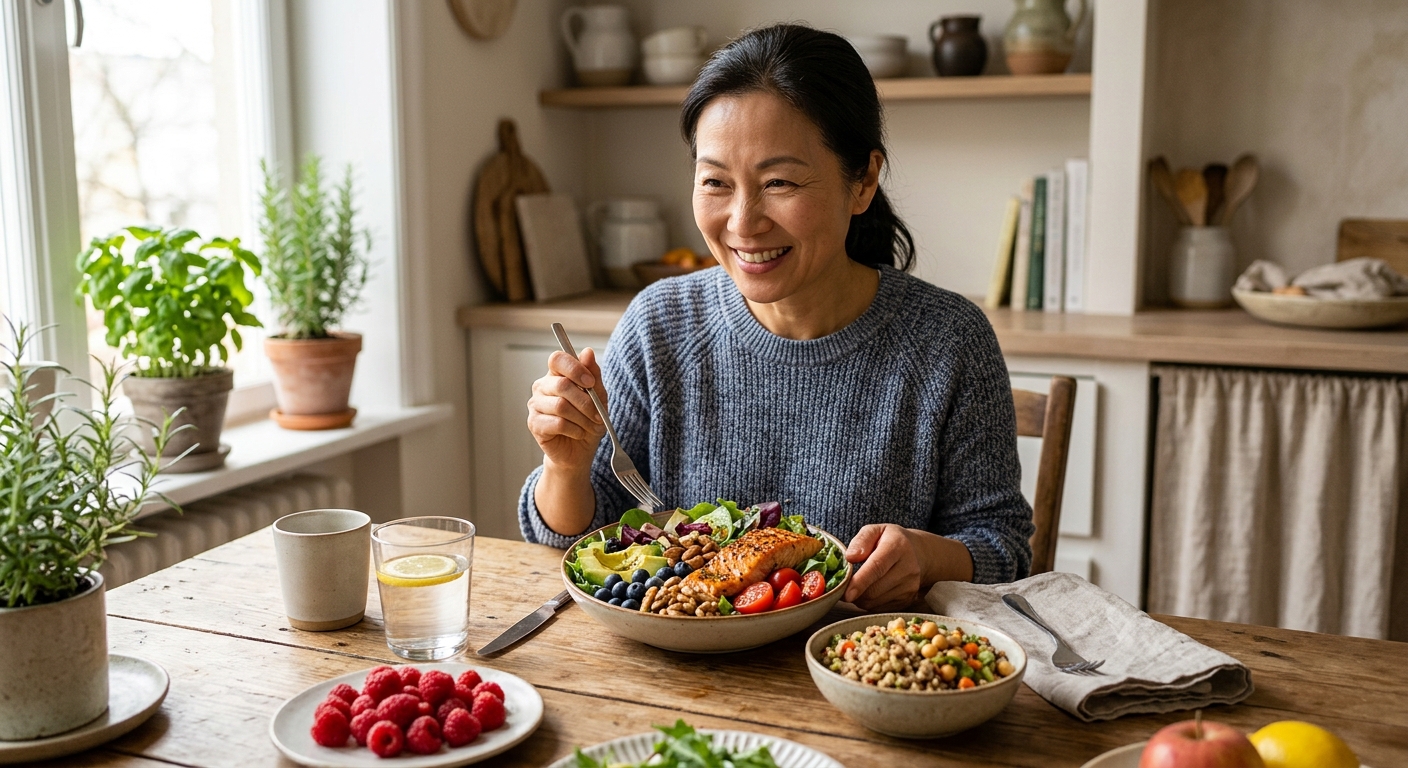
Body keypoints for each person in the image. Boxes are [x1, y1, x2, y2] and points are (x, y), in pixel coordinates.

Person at [518, 23, 1033, 610]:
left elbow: (1003, 548)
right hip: (681, 675)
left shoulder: (948, 341)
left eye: (779, 182)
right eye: (715, 182)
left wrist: (929, 557)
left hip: (858, 679)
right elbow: (586, 545)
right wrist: (565, 465)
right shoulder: (659, 324)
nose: (743, 221)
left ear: (863, 180)